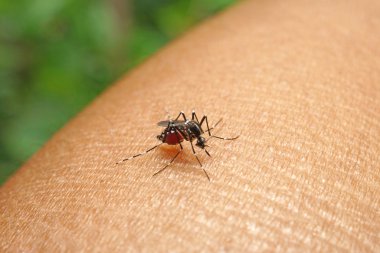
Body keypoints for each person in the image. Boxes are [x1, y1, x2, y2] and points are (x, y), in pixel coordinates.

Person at [1, 0, 379, 251]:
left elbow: (193, 125)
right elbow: (180, 129)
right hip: (171, 133)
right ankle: (154, 154)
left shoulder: (194, 131)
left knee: (195, 119)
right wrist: (173, 144)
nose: (195, 141)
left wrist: (204, 134)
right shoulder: (181, 137)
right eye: (198, 140)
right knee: (181, 130)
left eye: (196, 139)